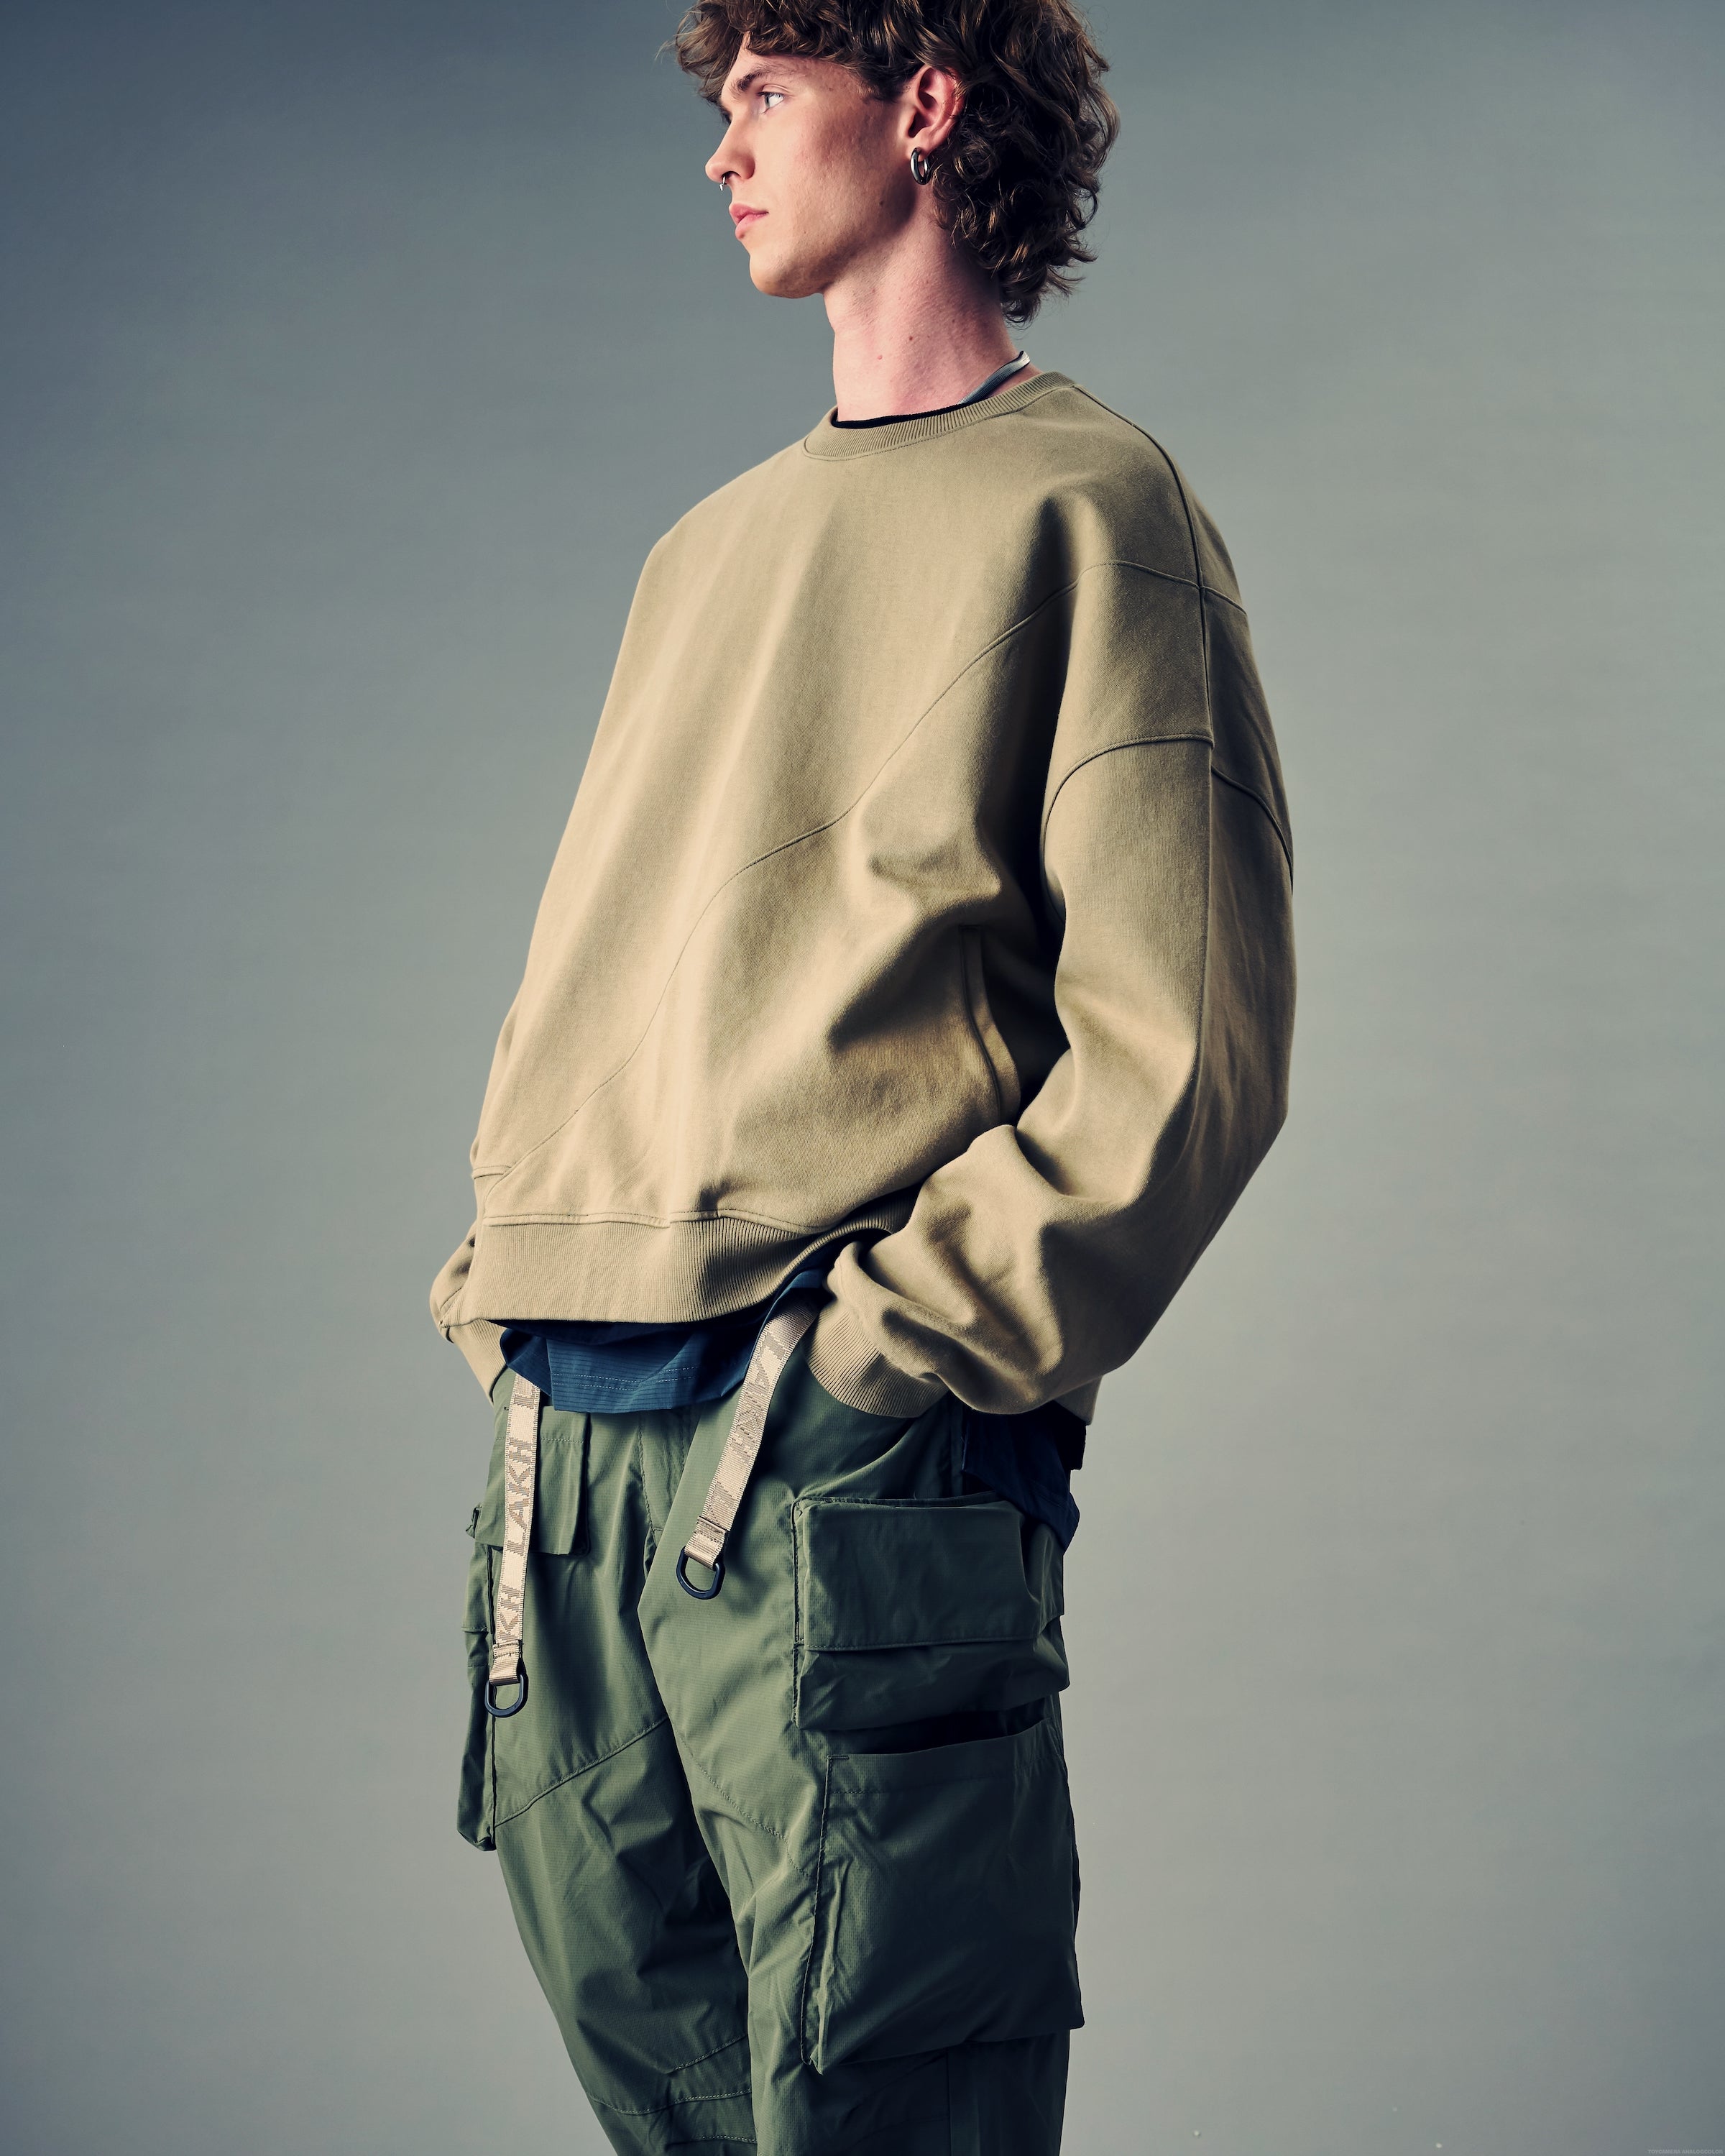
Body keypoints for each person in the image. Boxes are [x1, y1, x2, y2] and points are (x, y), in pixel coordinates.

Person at [431, 3, 1294, 2150]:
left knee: (890, 2113)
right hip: (568, 1475)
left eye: (767, 95)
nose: (720, 150)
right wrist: (503, 1286)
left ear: (922, 105)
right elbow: (606, 968)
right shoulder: (700, 556)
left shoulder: (1093, 512)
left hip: (832, 1460)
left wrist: (887, 1356)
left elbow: (1185, 1047)